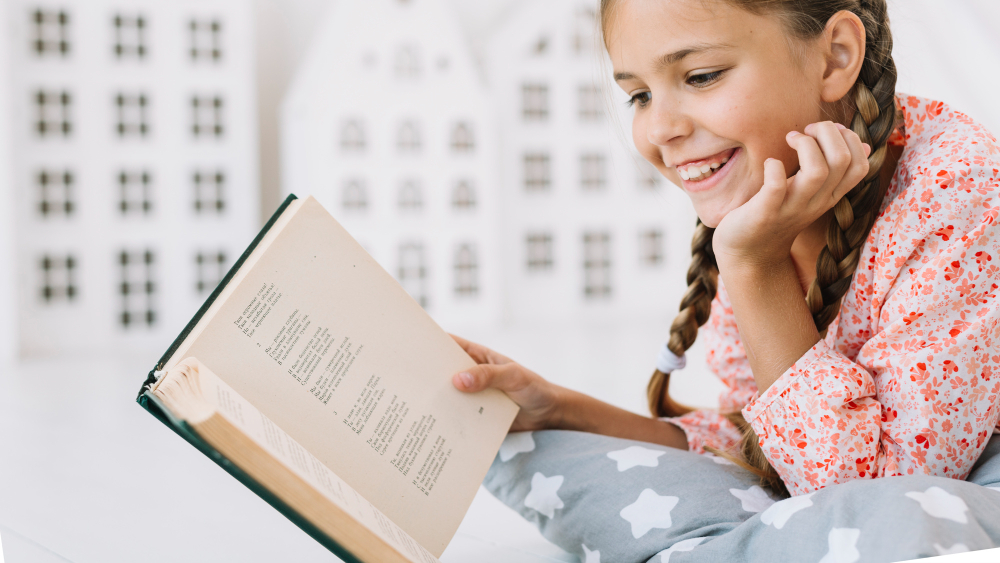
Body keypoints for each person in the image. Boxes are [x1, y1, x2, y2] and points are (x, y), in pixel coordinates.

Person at [451, 0, 1000, 497]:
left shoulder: (955, 190)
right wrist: (558, 409)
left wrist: (757, 269)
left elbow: (870, 497)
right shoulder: (763, 210)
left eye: (701, 76)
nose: (659, 129)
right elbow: (777, 442)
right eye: (639, 96)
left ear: (835, 57)